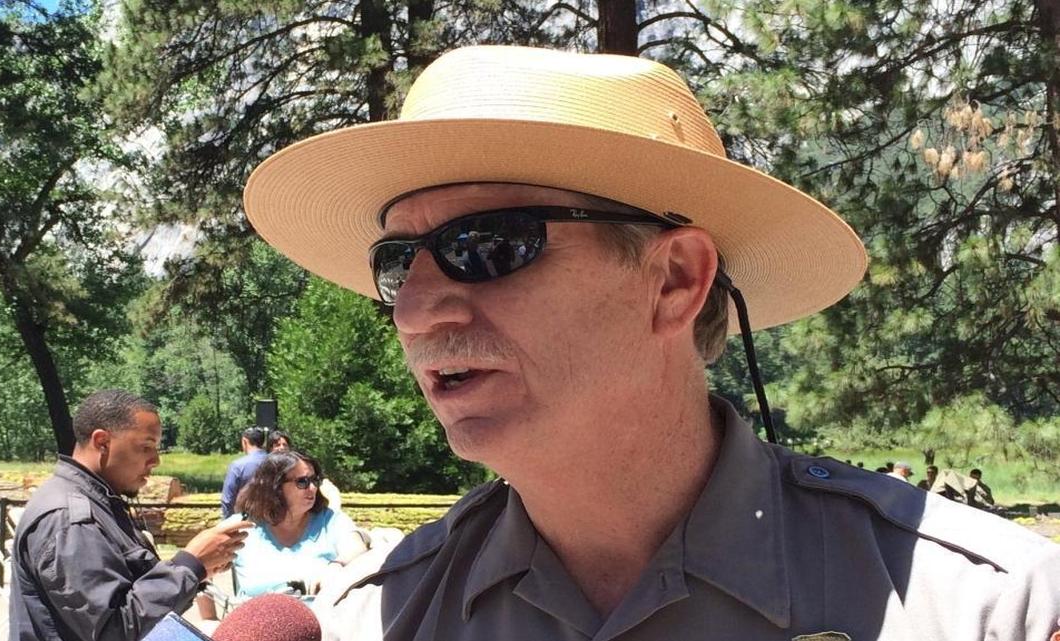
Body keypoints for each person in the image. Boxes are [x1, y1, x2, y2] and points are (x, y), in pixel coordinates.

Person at [243, 46, 1060, 640]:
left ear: (674, 280)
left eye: (486, 243)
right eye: (396, 263)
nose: (415, 307)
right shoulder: (372, 621)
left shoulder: (989, 609)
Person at [9, 389, 252, 641]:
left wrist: (201, 570)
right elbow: (113, 630)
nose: (155, 460)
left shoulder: (100, 502)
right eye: (146, 446)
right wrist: (189, 565)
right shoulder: (69, 518)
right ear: (102, 442)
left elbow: (130, 592)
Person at [228, 450, 367, 597]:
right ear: (274, 485)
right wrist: (209, 617)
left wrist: (337, 565)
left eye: (315, 480)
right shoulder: (241, 528)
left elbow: (357, 547)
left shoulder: (330, 521)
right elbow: (203, 559)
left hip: (321, 618)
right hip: (254, 618)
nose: (313, 488)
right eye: (302, 482)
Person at [220, 426, 269, 517]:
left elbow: (228, 500)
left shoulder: (237, 466)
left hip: (245, 519)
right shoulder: (277, 463)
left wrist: (228, 523)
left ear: (245, 441)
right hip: (273, 521)